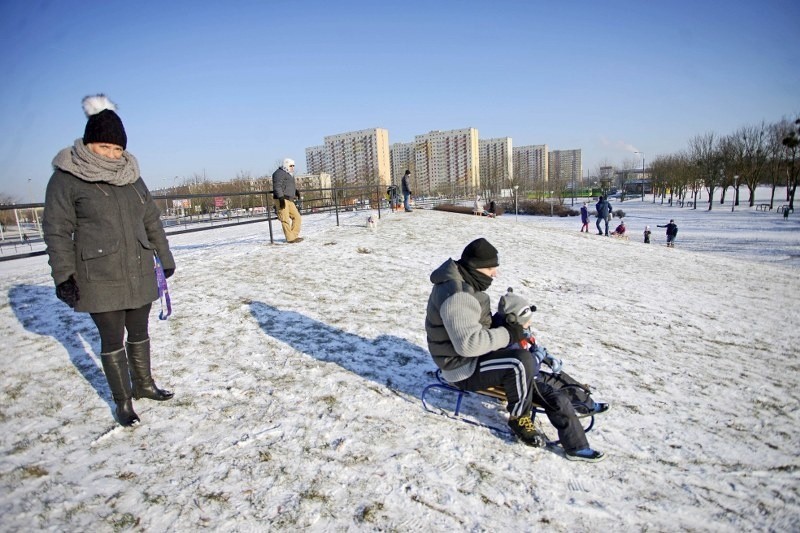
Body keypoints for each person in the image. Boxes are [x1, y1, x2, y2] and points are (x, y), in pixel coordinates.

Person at [43, 94, 175, 427]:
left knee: (141, 332)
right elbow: (57, 230)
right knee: (112, 338)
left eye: (117, 149)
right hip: (99, 275)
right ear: (88, 144)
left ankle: (144, 384)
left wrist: (165, 256)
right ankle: (123, 402)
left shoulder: (132, 176)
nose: (112, 155)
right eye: (105, 147)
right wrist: (64, 276)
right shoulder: (67, 178)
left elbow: (151, 220)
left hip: (139, 269)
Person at [425, 238, 605, 462]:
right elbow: (468, 344)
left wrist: (510, 327)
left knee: (532, 368)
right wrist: (510, 334)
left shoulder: (466, 284)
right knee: (520, 362)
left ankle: (580, 407)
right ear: (475, 266)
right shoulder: (458, 294)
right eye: (491, 268)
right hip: (462, 368)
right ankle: (519, 417)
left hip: (471, 358)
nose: (495, 274)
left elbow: (477, 327)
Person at [272, 158, 303, 243]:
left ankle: (293, 236)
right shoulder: (278, 173)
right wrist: (281, 198)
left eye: (293, 165)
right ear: (286, 165)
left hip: (290, 199)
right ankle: (290, 238)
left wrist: (295, 191)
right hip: (282, 199)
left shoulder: (289, 174)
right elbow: (277, 186)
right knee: (285, 219)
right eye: (291, 165)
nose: (293, 167)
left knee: (297, 217)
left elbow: (288, 185)